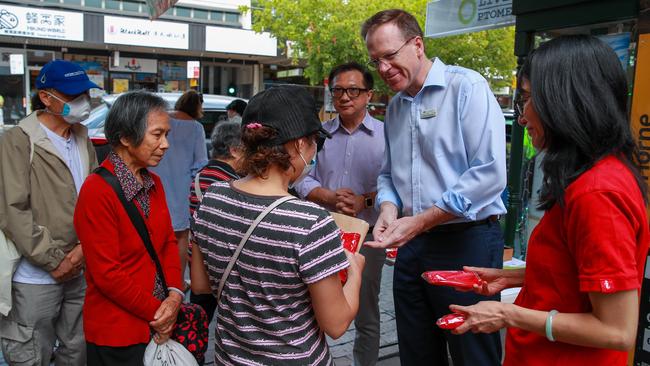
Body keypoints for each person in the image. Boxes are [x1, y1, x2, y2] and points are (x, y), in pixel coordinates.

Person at [449, 35, 649, 366]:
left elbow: (617, 329)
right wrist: (513, 277)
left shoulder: (597, 193)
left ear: (565, 100)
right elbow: (577, 272)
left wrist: (506, 313)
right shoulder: (593, 176)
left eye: (527, 99)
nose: (522, 116)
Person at [362, 9, 507, 365]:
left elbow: (489, 173)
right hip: (412, 242)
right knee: (416, 350)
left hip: (467, 241)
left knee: (472, 351)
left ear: (417, 45)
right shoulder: (395, 108)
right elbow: (388, 174)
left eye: (390, 56)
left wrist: (422, 219)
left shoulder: (466, 87)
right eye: (375, 60)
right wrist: (388, 209)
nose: (382, 69)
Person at [190, 86, 365, 365]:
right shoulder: (310, 222)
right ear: (298, 144)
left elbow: (199, 285)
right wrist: (355, 271)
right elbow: (336, 324)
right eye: (314, 143)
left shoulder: (211, 198)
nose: (315, 151)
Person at [0, 60, 100, 366]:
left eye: (85, 94)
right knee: (31, 353)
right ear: (46, 97)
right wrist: (56, 260)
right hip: (35, 276)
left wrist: (82, 252)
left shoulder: (82, 136)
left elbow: (97, 199)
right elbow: (13, 210)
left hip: (80, 268)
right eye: (73, 96)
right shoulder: (19, 140)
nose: (83, 102)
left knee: (77, 351)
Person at [73, 91, 184, 365]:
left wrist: (174, 294)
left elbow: (168, 243)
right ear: (125, 137)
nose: (165, 144)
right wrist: (160, 313)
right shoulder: (97, 190)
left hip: (157, 321)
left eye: (166, 134)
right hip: (118, 330)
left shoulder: (153, 183)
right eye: (157, 135)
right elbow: (107, 274)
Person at [295, 62, 386, 366]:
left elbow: (397, 184)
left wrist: (366, 201)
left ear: (368, 94)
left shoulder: (387, 136)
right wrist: (328, 196)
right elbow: (300, 177)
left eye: (353, 90)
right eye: (338, 90)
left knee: (366, 310)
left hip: (366, 237)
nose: (345, 96)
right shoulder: (318, 136)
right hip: (321, 233)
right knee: (313, 305)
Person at [151, 89, 208, 288]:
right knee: (181, 236)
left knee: (154, 232)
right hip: (181, 188)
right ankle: (177, 281)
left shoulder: (164, 121)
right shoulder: (196, 128)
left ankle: (155, 278)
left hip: (154, 181)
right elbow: (200, 163)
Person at [188, 121, 243, 322]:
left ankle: (192, 352)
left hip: (199, 261)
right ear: (235, 151)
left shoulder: (200, 176)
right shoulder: (231, 184)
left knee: (199, 319)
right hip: (224, 267)